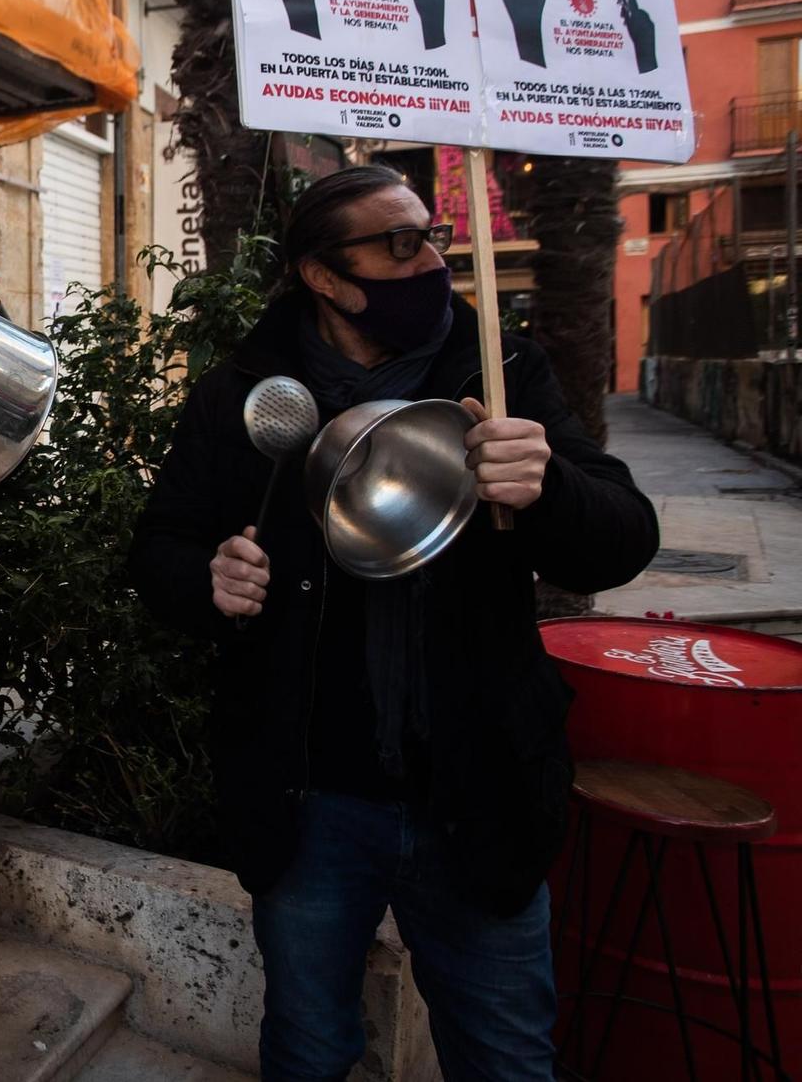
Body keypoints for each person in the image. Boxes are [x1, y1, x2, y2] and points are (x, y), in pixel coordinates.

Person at [127, 166, 658, 1082]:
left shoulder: (500, 371)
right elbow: (159, 548)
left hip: (476, 786)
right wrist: (209, 576)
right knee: (308, 1045)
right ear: (324, 277)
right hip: (310, 800)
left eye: (433, 238)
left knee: (508, 1055)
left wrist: (549, 487)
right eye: (400, 244)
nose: (431, 262)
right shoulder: (247, 391)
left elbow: (622, 539)